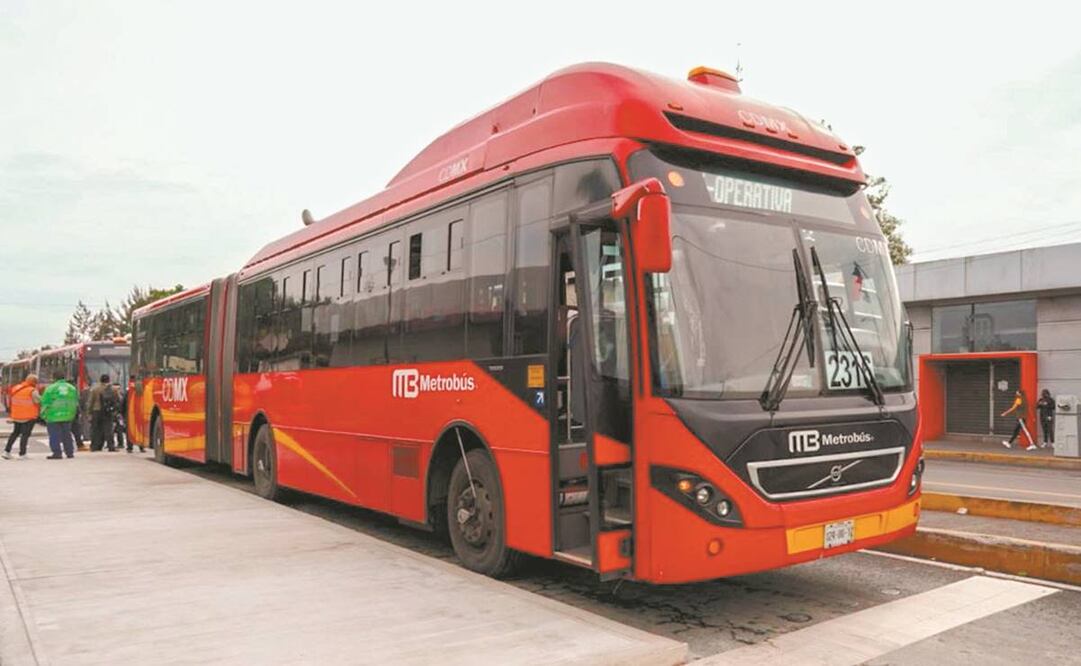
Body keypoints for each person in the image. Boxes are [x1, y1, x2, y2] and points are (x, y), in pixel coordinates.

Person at [40, 372, 79, 459]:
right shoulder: (71, 388)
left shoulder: (51, 388)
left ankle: (57, 453)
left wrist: (43, 415)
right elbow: (76, 401)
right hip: (68, 415)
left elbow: (45, 402)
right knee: (67, 434)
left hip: (53, 416)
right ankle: (69, 452)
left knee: (54, 435)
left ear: (54, 378)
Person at [3, 374, 41, 460]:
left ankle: (6, 451)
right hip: (28, 416)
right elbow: (38, 401)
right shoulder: (32, 391)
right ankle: (22, 454)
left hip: (17, 415)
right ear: (34, 382)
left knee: (15, 433)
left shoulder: (16, 388)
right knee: (25, 434)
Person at [88, 374, 118, 452]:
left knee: (96, 429)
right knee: (108, 429)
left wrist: (89, 412)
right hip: (107, 411)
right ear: (109, 380)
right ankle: (111, 446)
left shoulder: (95, 389)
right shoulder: (113, 389)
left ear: (100, 380)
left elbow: (91, 401)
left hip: (96, 410)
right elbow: (117, 400)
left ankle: (95, 446)